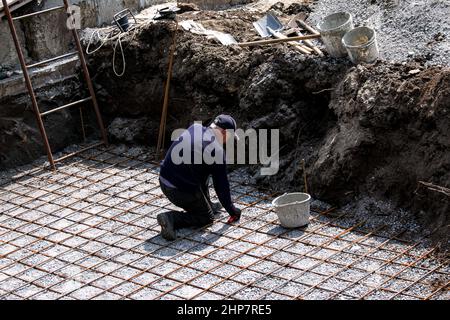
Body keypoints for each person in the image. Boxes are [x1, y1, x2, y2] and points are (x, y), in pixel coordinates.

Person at [157, 115, 242, 241]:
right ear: (224, 133)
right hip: (178, 191)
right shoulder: (217, 152)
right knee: (206, 218)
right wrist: (232, 210)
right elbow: (222, 188)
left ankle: (207, 204)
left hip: (163, 179)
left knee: (203, 170)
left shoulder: (195, 128)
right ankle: (171, 218)